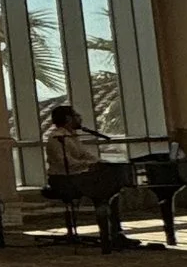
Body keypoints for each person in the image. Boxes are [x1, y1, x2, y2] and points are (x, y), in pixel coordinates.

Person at [42, 105, 138, 250]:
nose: (80, 118)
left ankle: (115, 233)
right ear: (68, 118)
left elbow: (85, 155)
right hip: (63, 180)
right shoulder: (57, 138)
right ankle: (108, 237)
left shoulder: (72, 136)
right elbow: (66, 162)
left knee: (111, 191)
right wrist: (88, 165)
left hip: (79, 177)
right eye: (76, 115)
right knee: (103, 190)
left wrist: (101, 163)